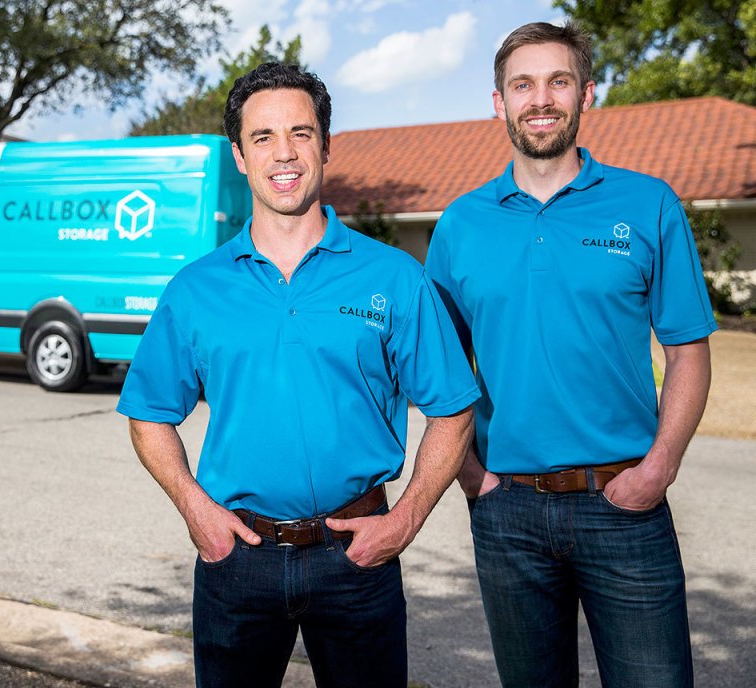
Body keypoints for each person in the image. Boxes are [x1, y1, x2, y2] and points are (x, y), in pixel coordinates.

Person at [117, 62, 480, 688]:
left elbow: (453, 408)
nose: (283, 153)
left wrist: (405, 520)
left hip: (358, 558)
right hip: (237, 559)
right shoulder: (196, 288)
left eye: (301, 133)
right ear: (239, 155)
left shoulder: (394, 277)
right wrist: (194, 508)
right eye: (262, 137)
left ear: (326, 145)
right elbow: (148, 415)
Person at [425, 21, 715, 688]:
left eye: (558, 82)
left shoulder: (647, 204)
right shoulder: (461, 224)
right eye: (522, 85)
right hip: (507, 510)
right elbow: (440, 369)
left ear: (587, 94)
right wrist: (470, 476)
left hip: (625, 503)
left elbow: (688, 352)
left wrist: (659, 468)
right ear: (499, 102)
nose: (540, 99)